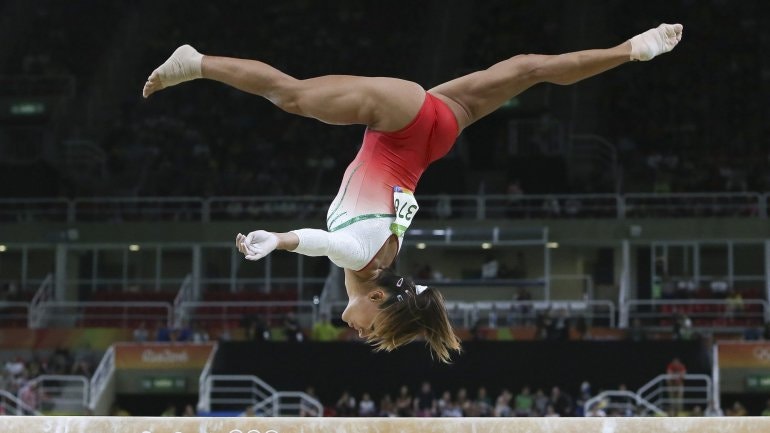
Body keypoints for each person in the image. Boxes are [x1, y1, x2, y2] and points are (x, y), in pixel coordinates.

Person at [144, 23, 683, 363]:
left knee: (527, 70)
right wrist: (276, 241)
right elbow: (319, 243)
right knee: (292, 96)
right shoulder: (362, 261)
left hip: (435, 137)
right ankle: (197, 61)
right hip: (400, 123)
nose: (358, 332)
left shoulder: (388, 261)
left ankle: (631, 48)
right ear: (377, 300)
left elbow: (400, 267)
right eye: (370, 330)